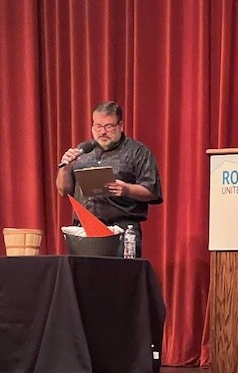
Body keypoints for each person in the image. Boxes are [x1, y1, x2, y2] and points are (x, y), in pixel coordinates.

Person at [56, 101, 163, 257]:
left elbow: (152, 191)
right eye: (98, 126)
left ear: (120, 125)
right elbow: (63, 190)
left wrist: (127, 189)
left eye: (109, 126)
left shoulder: (137, 152)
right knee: (84, 280)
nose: (102, 132)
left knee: (120, 279)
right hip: (84, 230)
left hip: (120, 230)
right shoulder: (83, 151)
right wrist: (65, 168)